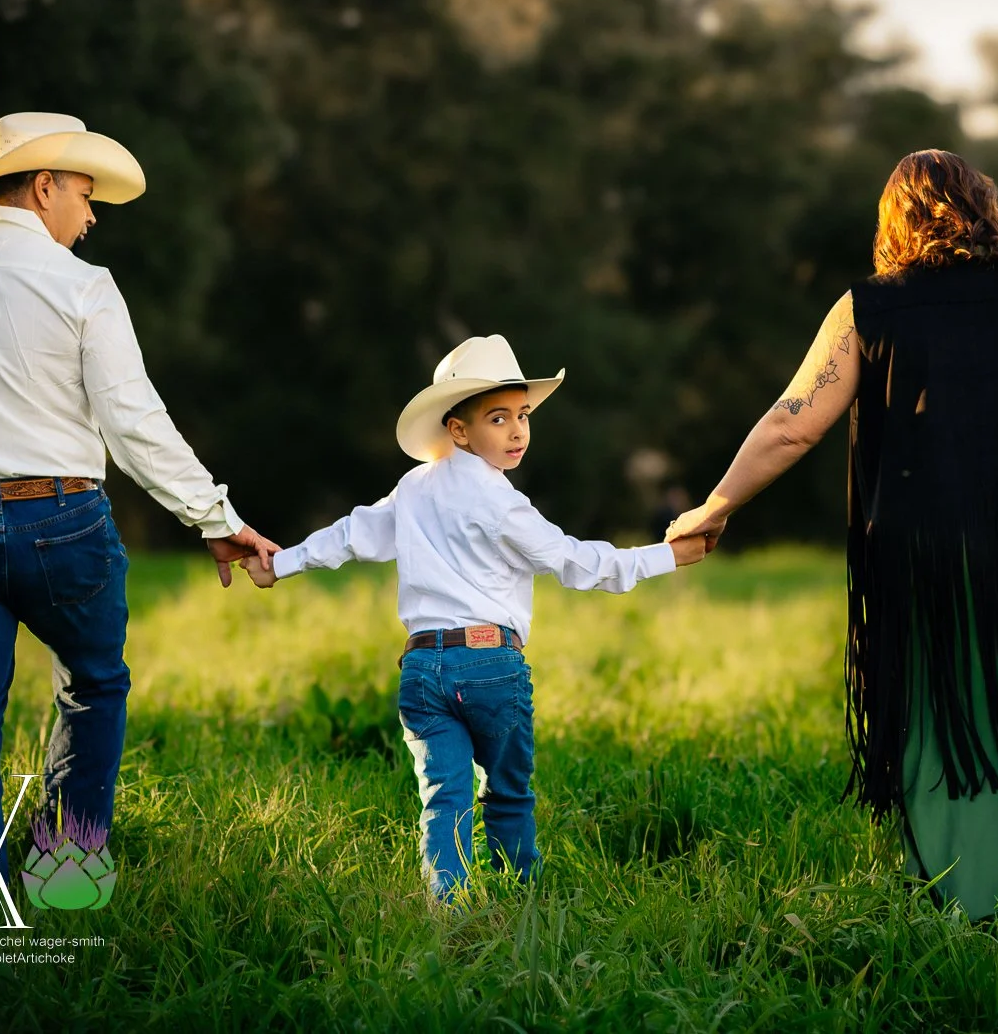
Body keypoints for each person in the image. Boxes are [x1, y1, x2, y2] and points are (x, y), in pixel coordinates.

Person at [667, 149, 998, 917]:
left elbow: (792, 424)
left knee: (942, 701)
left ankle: (958, 884)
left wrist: (715, 505)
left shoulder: (870, 308)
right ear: (987, 208)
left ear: (894, 222)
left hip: (924, 550)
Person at [0, 112, 280, 885]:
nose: (91, 219)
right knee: (92, 684)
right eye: (86, 197)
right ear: (44, 185)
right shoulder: (83, 286)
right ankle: (68, 872)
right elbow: (135, 423)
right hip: (63, 522)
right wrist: (217, 521)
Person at [242, 335, 707, 900]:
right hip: (490, 665)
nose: (517, 432)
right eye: (498, 418)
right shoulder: (500, 499)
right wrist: (668, 556)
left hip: (421, 669)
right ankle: (523, 902)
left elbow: (351, 534)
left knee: (444, 798)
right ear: (458, 430)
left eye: (524, 416)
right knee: (508, 793)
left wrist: (280, 564)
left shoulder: (413, 488)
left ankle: (451, 912)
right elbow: (577, 562)